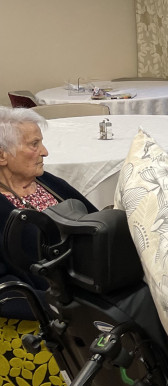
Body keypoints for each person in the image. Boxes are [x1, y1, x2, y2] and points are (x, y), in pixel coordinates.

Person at [0, 107, 95, 319]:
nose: (45, 152)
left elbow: (94, 219)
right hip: (50, 316)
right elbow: (6, 294)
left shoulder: (47, 181)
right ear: (2, 156)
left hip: (94, 287)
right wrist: (61, 306)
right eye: (34, 144)